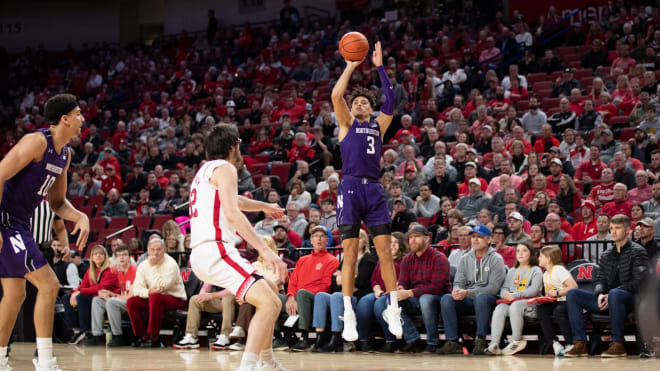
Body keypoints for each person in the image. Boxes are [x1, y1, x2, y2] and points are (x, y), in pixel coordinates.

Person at [0, 94, 90, 371]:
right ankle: (46, 361)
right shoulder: (36, 141)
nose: (82, 119)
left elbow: (57, 203)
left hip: (20, 224)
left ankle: (0, 360)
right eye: (78, 113)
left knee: (16, 295)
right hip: (6, 221)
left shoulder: (64, 154)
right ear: (64, 119)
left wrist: (81, 216)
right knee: (49, 285)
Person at [188, 124, 288, 371]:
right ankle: (250, 366)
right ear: (233, 145)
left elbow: (234, 200)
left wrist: (264, 206)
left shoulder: (204, 171)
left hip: (202, 254)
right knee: (271, 303)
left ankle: (267, 362)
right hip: (216, 250)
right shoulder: (226, 168)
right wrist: (265, 251)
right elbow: (232, 212)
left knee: (270, 293)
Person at [330, 41, 403, 341]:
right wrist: (350, 64)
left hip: (373, 190)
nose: (359, 103)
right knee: (349, 254)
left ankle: (393, 307)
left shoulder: (379, 126)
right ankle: (348, 313)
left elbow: (392, 100)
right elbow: (337, 95)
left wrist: (380, 67)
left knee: (385, 252)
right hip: (349, 188)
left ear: (371, 109)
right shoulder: (346, 123)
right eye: (355, 101)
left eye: (364, 102)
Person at [565, 214, 649, 358]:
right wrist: (600, 294)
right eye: (611, 228)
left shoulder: (638, 251)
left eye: (618, 228)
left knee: (616, 293)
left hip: (630, 299)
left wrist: (612, 294)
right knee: (573, 294)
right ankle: (580, 343)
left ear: (628, 230)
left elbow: (638, 282)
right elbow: (599, 280)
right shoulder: (606, 254)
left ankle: (618, 344)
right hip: (608, 299)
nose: (613, 232)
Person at [374, 225, 451, 353]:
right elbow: (403, 282)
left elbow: (437, 287)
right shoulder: (407, 259)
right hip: (414, 299)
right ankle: (412, 338)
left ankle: (432, 342)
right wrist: (400, 289)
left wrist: (409, 292)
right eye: (410, 237)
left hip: (437, 299)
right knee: (386, 301)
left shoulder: (439, 258)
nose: (412, 240)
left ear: (427, 239)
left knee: (426, 300)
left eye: (417, 237)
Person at [437, 225, 507, 355]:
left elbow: (493, 288)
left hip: (491, 300)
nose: (475, 240)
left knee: (482, 298)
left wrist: (467, 292)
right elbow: (458, 282)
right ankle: (453, 342)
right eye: (473, 236)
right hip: (469, 299)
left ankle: (480, 340)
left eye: (479, 237)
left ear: (488, 240)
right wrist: (457, 291)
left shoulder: (497, 259)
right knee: (447, 298)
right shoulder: (465, 259)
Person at [355, 232, 410, 352]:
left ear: (401, 245)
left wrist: (391, 290)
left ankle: (390, 341)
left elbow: (404, 280)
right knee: (365, 301)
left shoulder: (405, 260)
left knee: (380, 304)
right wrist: (377, 290)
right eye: (390, 242)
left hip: (396, 294)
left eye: (396, 242)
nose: (393, 245)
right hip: (380, 293)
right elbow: (374, 279)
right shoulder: (382, 259)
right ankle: (363, 341)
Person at [486, 241, 542, 355]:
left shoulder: (536, 270)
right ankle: (494, 343)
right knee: (500, 308)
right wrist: (505, 294)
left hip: (531, 304)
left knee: (516, 306)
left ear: (531, 254)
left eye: (524, 251)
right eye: (518, 251)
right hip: (513, 302)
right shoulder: (512, 270)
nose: (520, 254)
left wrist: (514, 295)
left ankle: (517, 340)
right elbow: (504, 288)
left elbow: (534, 290)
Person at [62, 245, 119, 345]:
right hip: (93, 296)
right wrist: (74, 292)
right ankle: (76, 330)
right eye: (95, 254)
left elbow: (101, 288)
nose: (98, 256)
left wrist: (80, 292)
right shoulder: (90, 271)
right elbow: (82, 286)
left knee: (82, 297)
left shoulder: (111, 270)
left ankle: (87, 330)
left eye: (101, 254)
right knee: (66, 297)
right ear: (92, 257)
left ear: (105, 256)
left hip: (106, 297)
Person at [90, 244, 137, 347]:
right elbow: (119, 295)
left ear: (130, 257)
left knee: (111, 302)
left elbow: (130, 296)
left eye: (124, 255)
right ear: (115, 258)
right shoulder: (118, 274)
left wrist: (112, 296)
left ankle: (117, 336)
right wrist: (109, 294)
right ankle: (97, 335)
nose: (121, 257)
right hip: (121, 303)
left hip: (133, 303)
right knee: (97, 300)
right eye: (118, 255)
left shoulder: (135, 271)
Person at [536, 245, 578, 355]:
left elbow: (573, 287)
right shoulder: (545, 274)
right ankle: (554, 342)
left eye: (540, 256)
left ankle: (570, 343)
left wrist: (557, 293)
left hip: (567, 300)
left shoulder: (559, 269)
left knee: (559, 311)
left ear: (548, 258)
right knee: (542, 309)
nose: (538, 258)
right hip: (555, 300)